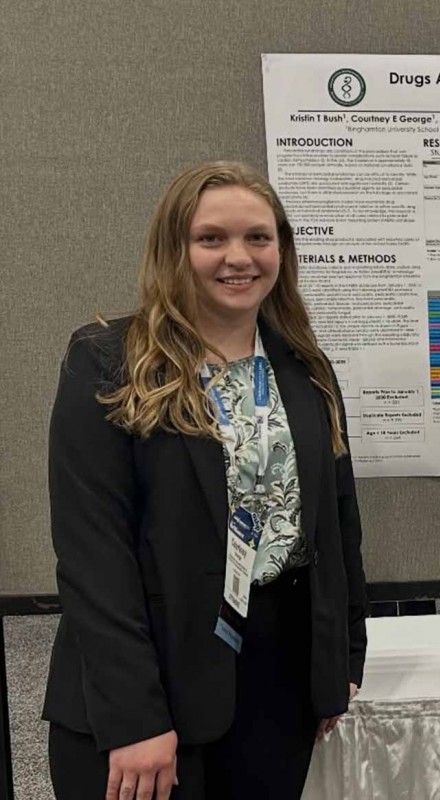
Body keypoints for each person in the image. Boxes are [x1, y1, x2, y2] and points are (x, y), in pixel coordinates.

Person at [44, 161, 369, 799]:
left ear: (281, 250)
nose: (238, 257)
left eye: (258, 237)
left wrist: (340, 658)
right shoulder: (109, 361)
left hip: (277, 678)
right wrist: (136, 718)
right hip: (150, 675)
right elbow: (92, 554)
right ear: (175, 248)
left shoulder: (304, 366)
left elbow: (337, 520)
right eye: (211, 238)